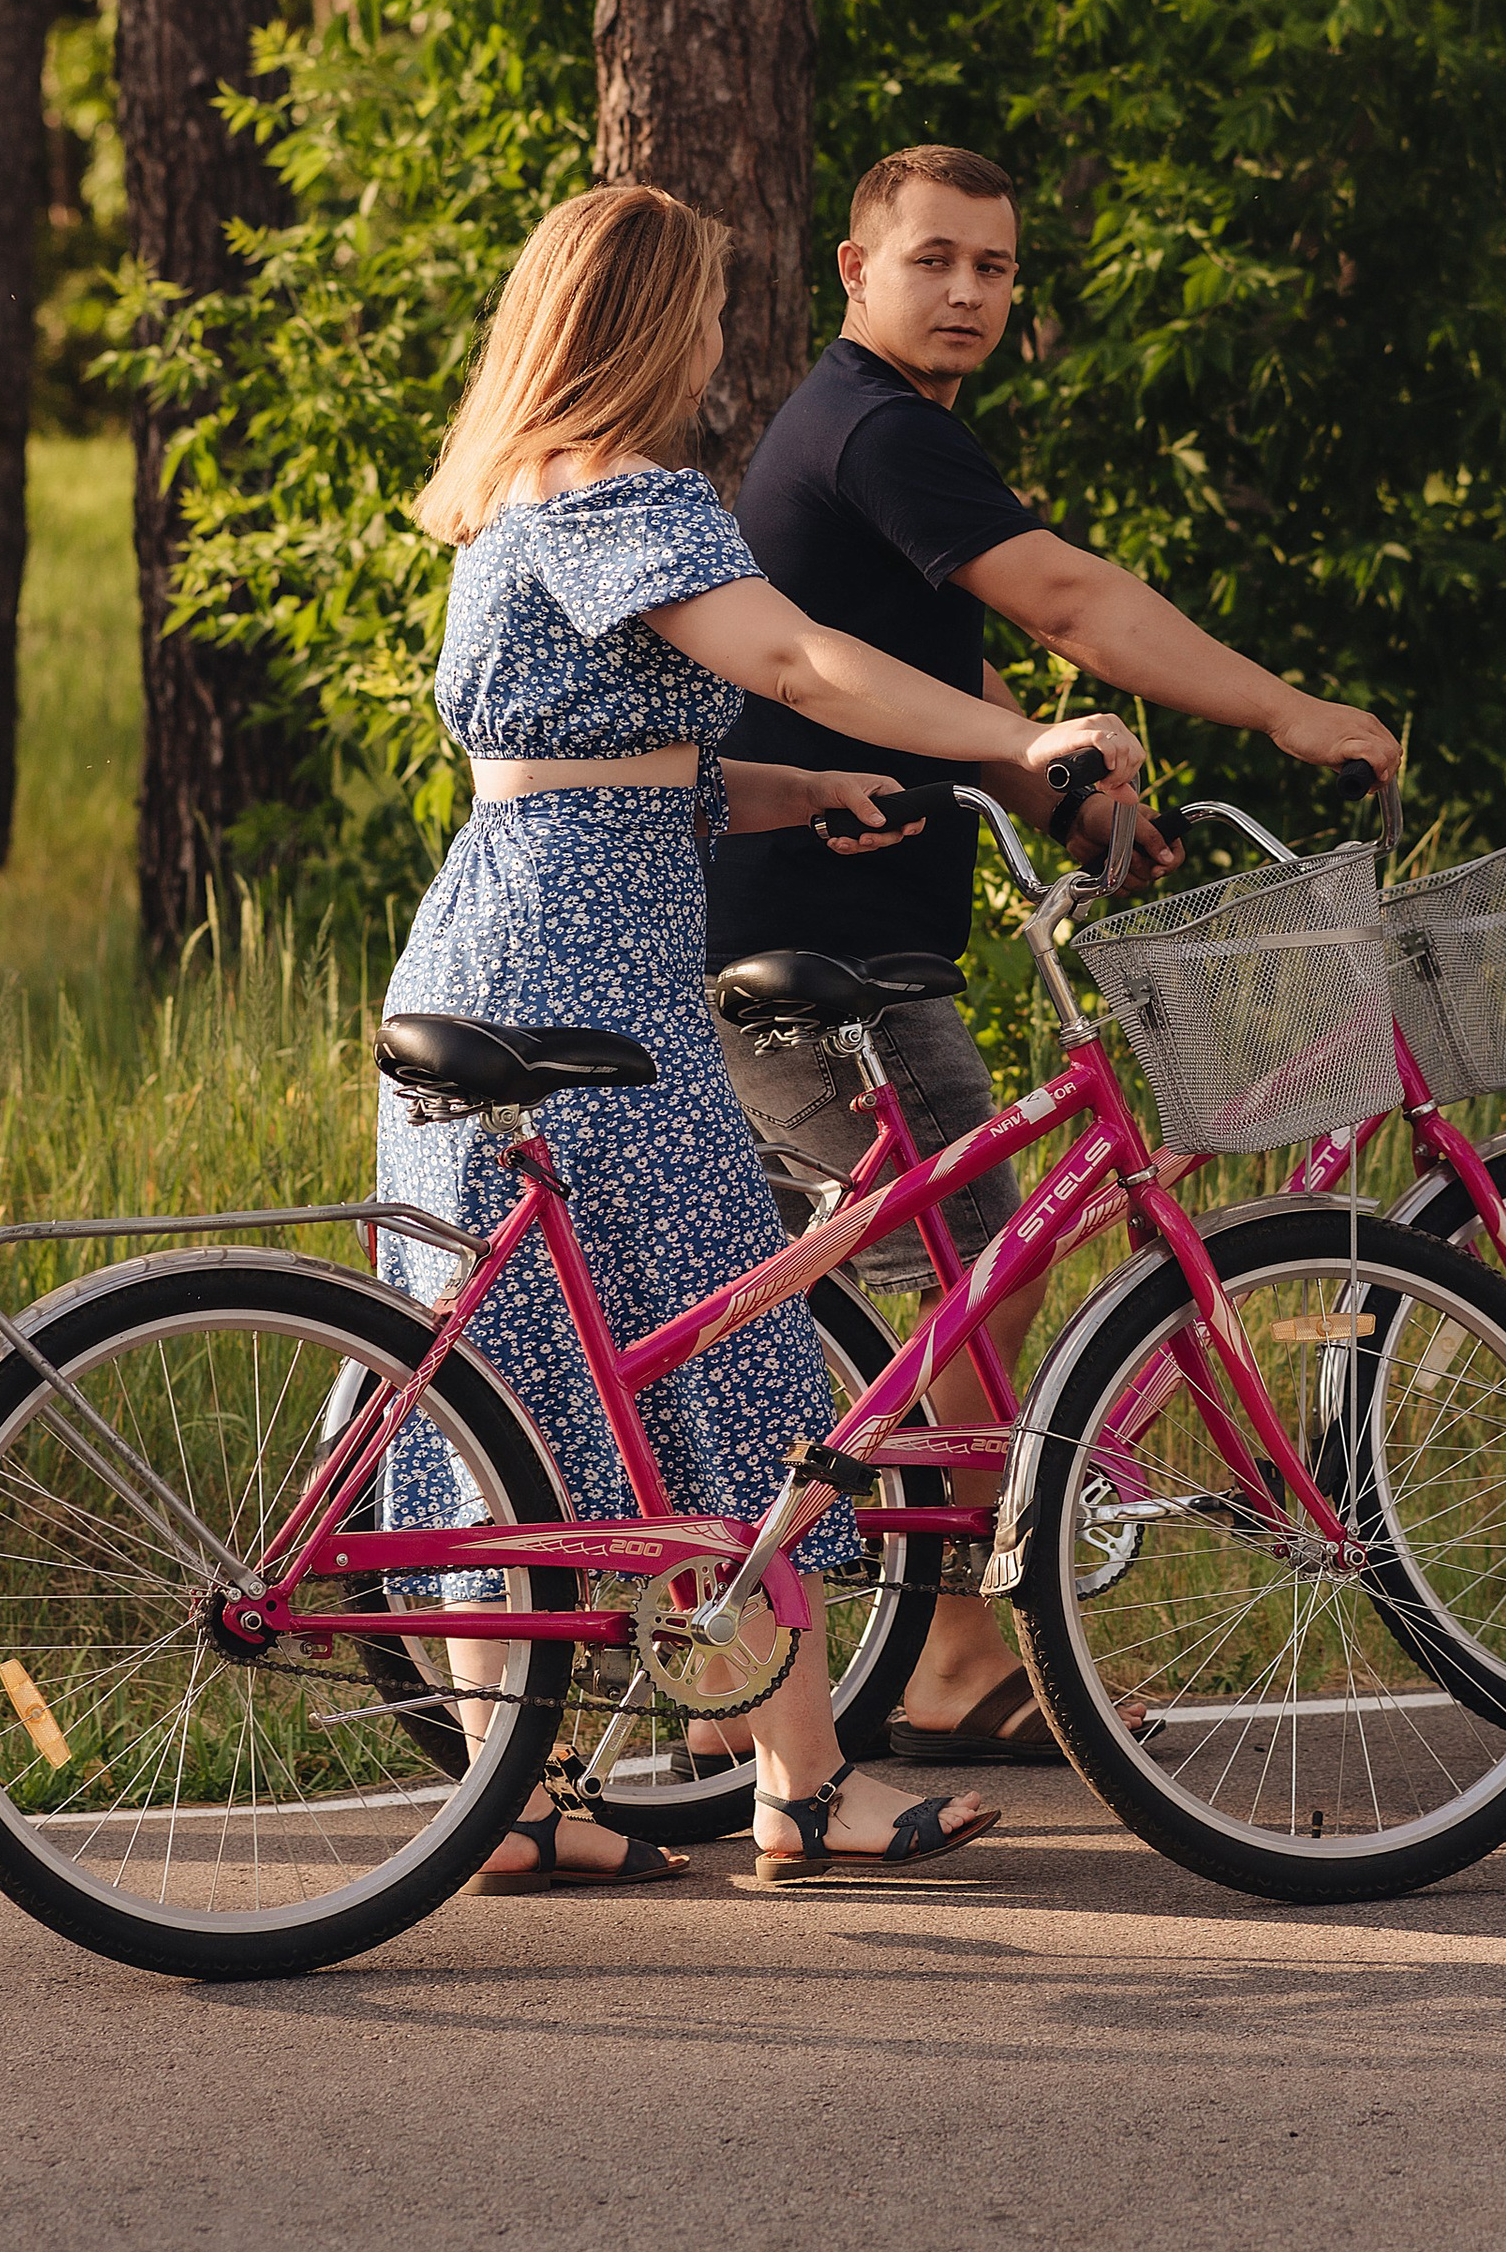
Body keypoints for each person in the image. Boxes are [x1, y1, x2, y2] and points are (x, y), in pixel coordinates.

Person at [373, 181, 1142, 1887]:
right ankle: (805, 1784)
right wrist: (1013, 744)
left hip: (502, 933)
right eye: (711, 307)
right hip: (586, 982)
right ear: (655, 321)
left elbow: (598, 768)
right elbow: (794, 648)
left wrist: (805, 790)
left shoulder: (518, 500)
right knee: (731, 1360)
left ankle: (514, 1803)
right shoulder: (626, 495)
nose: (725, 336)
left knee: (513, 1368)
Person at [706, 143, 1404, 1767]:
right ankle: (947, 1651)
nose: (967, 291)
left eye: (995, 267)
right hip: (823, 950)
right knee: (976, 1273)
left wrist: (1054, 791)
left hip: (835, 931)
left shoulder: (876, 430)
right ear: (855, 268)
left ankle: (828, 1646)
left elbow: (924, 672)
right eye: (934, 259)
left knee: (903, 1295)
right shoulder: (877, 426)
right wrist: (1286, 709)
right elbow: (1071, 603)